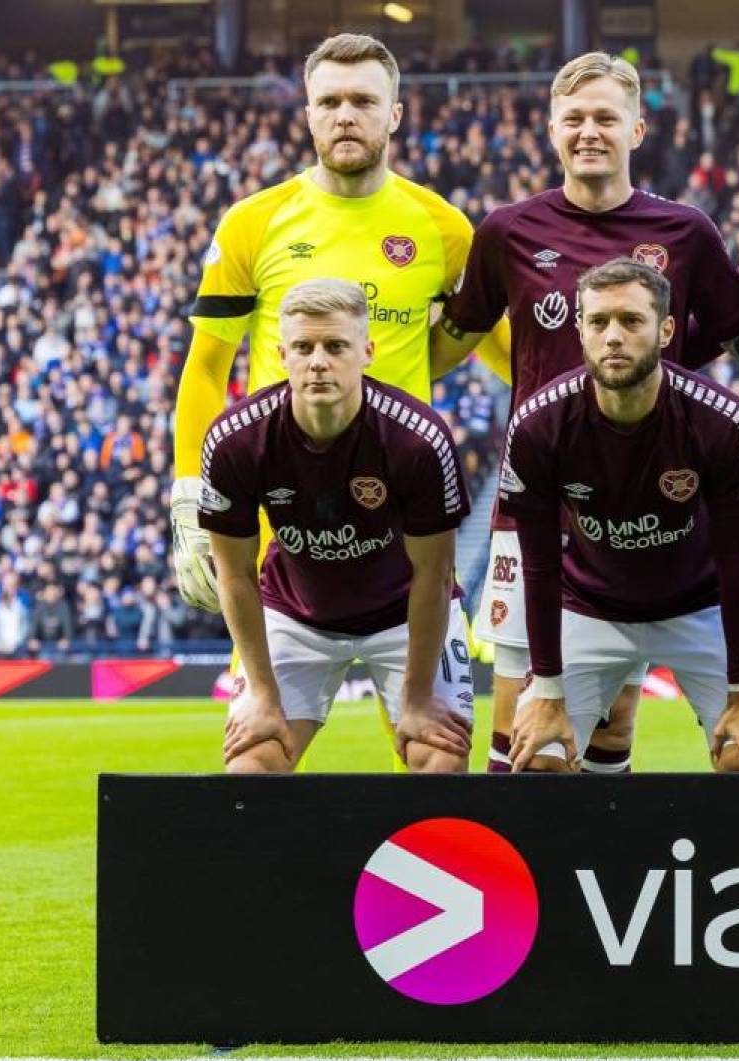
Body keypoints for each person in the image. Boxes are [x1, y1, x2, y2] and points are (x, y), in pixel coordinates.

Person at [435, 52, 739, 774]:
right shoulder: (507, 230)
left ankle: (612, 838)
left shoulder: (685, 232)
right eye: (574, 118)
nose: (589, 131)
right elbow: (456, 337)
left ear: (636, 129)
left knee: (616, 717)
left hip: (656, 501)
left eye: (605, 117)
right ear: (552, 131)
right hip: (540, 499)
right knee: (525, 732)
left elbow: (738, 335)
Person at [170, 33, 504, 766]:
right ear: (308, 115)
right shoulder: (253, 223)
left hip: (402, 501)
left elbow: (499, 347)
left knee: (435, 751)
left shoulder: (443, 228)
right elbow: (205, 369)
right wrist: (188, 488)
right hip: (285, 518)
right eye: (329, 101)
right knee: (257, 748)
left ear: (396, 114)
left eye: (362, 101)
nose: (344, 115)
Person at [502, 258, 739, 772]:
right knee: (537, 760)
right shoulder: (538, 423)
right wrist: (547, 690)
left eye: (631, 320)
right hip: (589, 607)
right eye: (599, 321)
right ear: (579, 329)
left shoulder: (720, 420)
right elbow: (539, 568)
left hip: (699, 607)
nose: (613, 336)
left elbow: (737, 566)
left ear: (666, 330)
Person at [199, 279, 473, 774]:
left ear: (367, 352)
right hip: (295, 615)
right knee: (251, 768)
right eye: (304, 348)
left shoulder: (419, 440)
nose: (318, 362)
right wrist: (262, 694)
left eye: (335, 346)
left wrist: (416, 699)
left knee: (440, 760)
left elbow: (435, 575)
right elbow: (234, 573)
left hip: (405, 616)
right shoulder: (235, 441)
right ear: (282, 355)